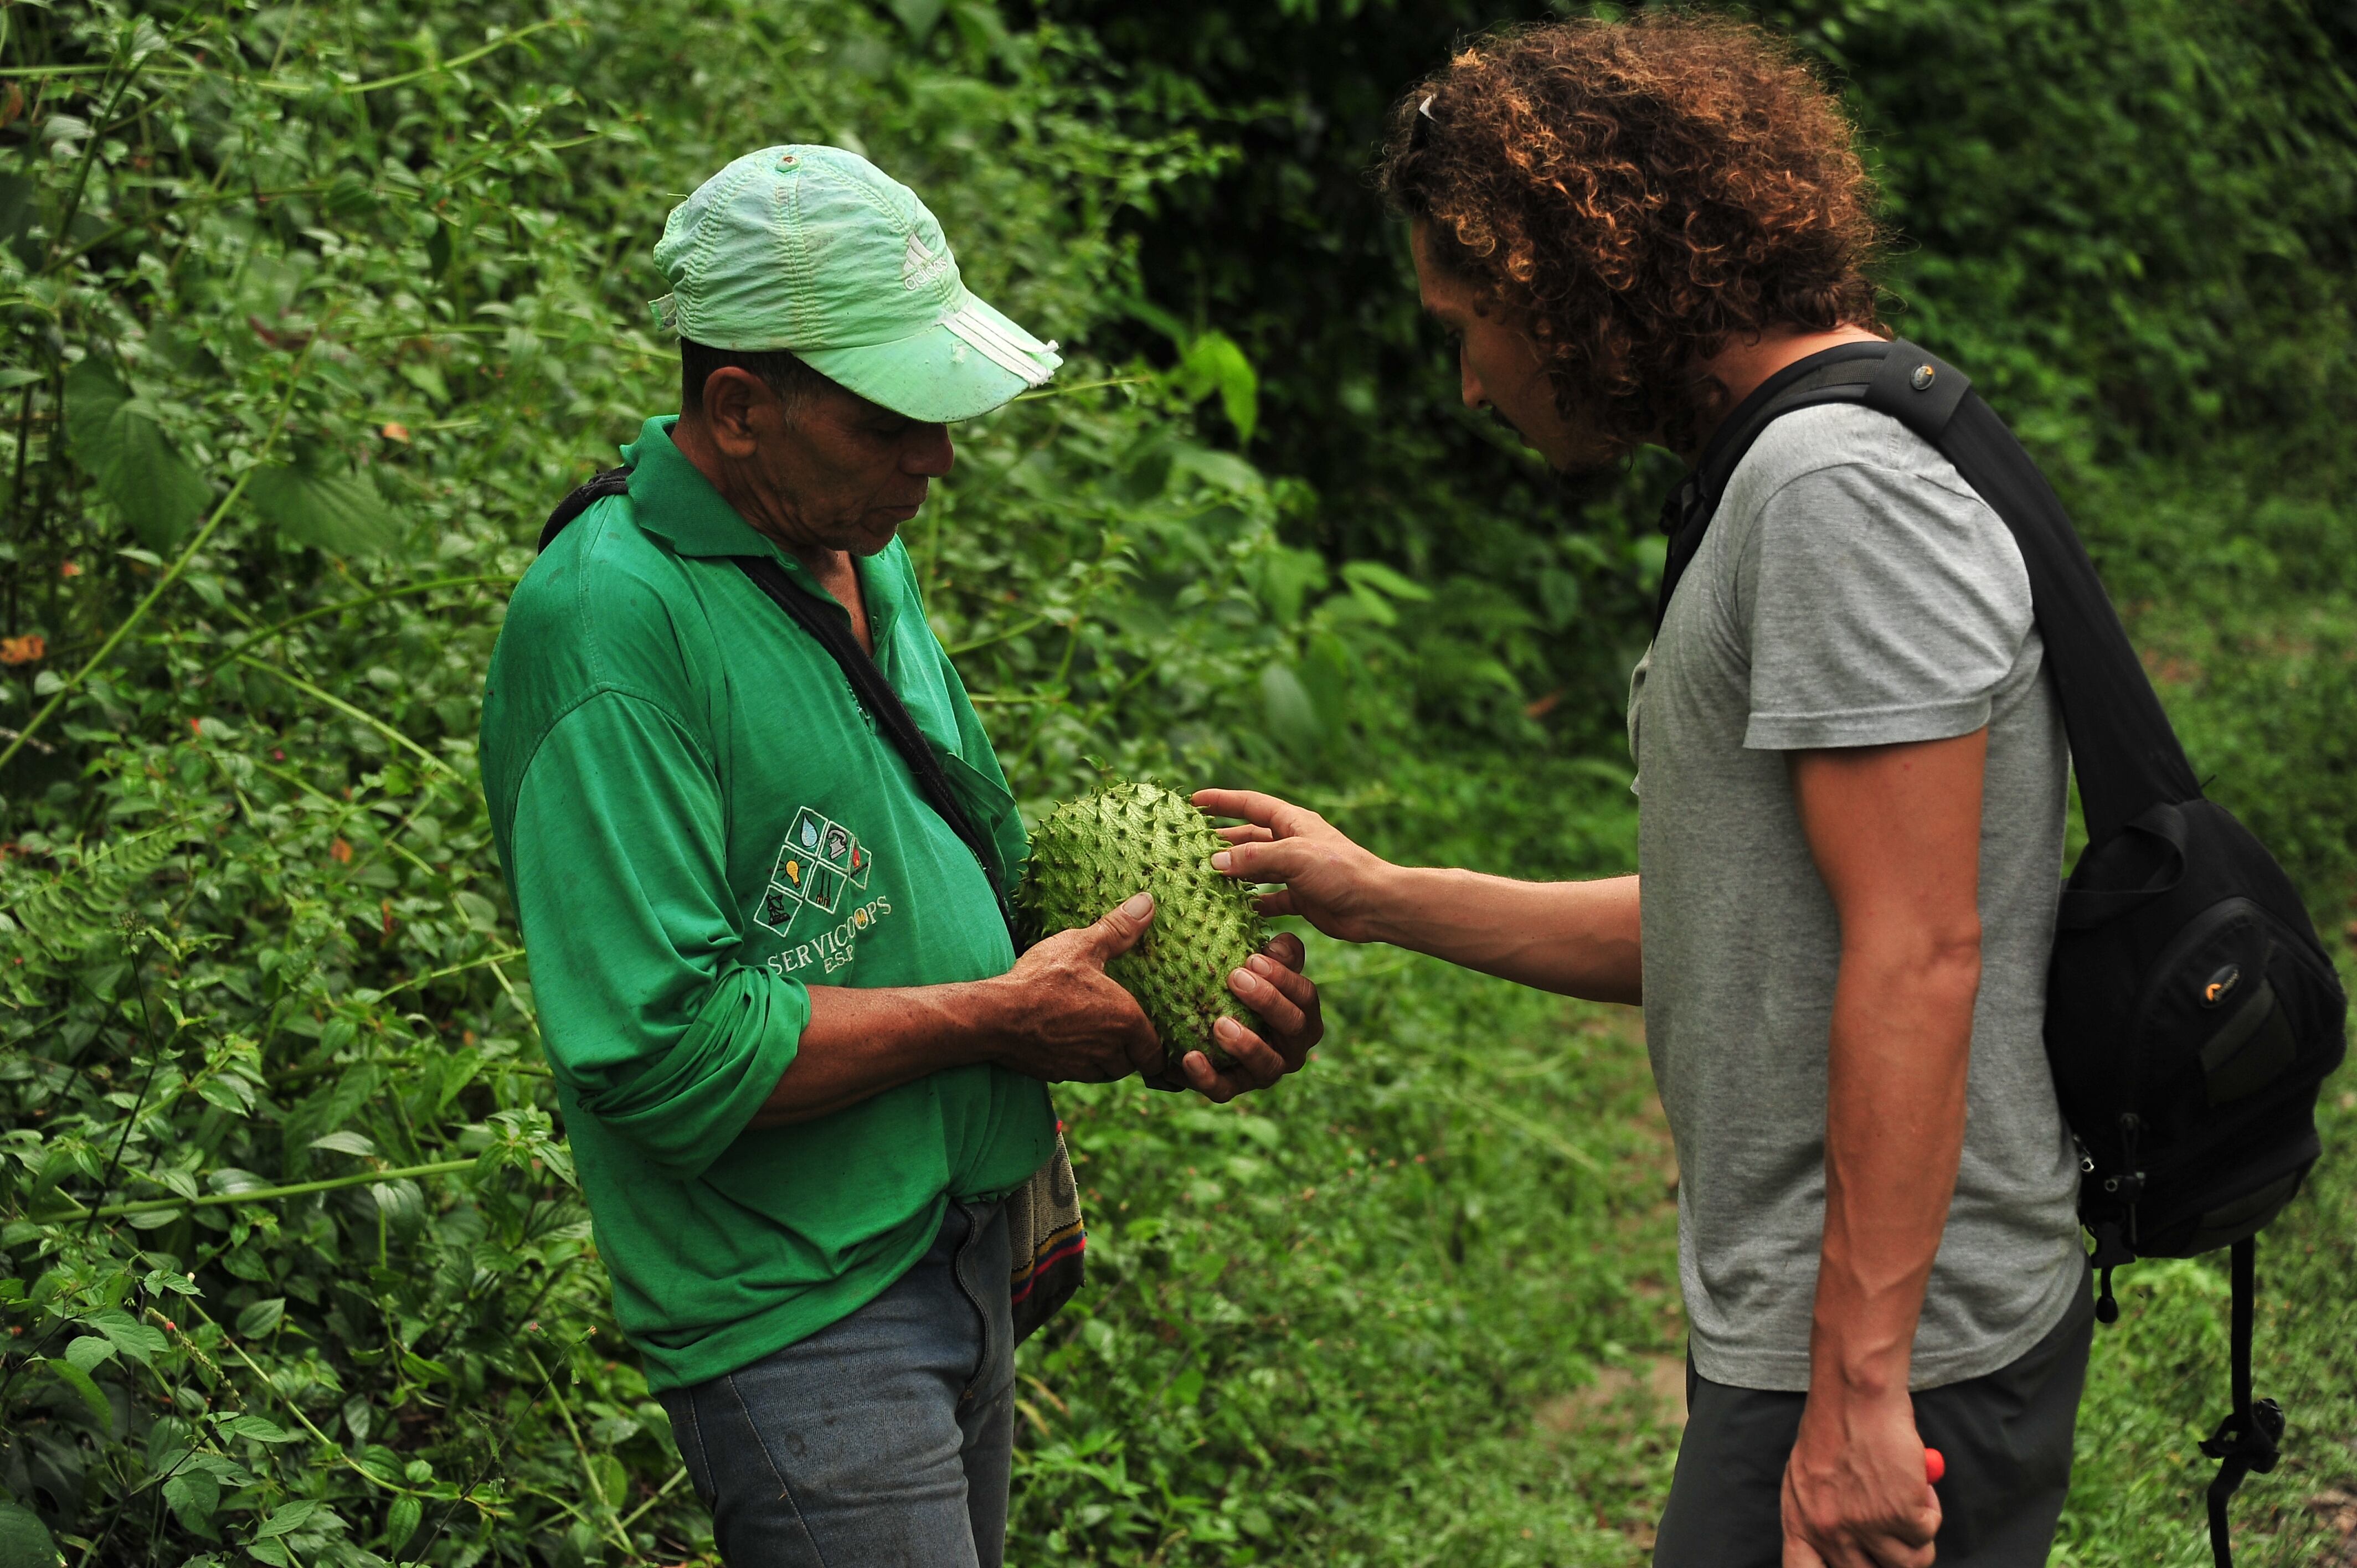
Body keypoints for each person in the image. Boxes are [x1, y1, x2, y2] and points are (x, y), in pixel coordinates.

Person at [1201, 19, 2088, 1567]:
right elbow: (1740, 928)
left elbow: (1920, 948)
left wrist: (1862, 1393)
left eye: (1465, 319)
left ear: (1564, 280)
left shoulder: (1832, 490)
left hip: (1889, 1343)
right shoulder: (1786, 470)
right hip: (1820, 1325)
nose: (1470, 383)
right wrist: (1379, 895)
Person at [478, 146, 1322, 1568]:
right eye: (891, 424)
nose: (936, 461)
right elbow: (660, 1051)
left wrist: (1175, 1003)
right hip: (799, 1305)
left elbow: (960, 857)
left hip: (959, 1237)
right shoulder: (607, 629)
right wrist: (1000, 1017)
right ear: (739, 410)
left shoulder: (853, 547)